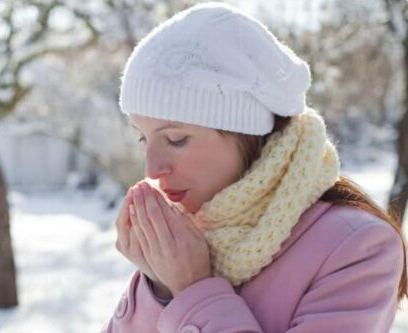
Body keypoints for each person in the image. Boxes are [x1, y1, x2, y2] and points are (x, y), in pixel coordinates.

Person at [102, 2, 408, 332]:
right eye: (143, 139)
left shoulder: (356, 247)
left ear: (246, 134)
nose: (152, 169)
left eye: (176, 139)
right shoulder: (188, 239)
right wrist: (158, 288)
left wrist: (192, 288)